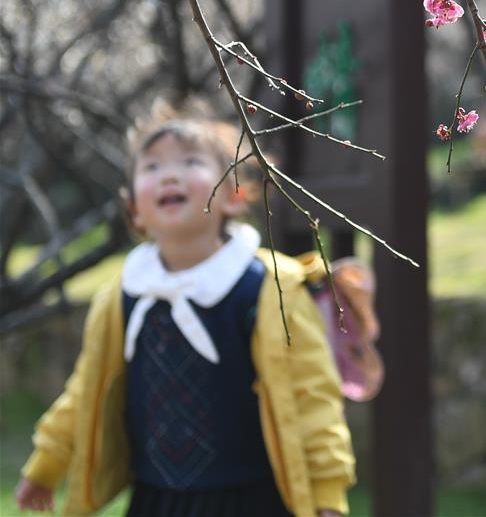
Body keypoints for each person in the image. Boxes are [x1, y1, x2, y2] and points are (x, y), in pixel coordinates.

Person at [15, 104, 355, 516]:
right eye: (153, 166)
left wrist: (328, 497)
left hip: (252, 501)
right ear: (134, 210)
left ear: (236, 195)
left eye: (191, 162)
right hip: (155, 502)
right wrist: (46, 465)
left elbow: (313, 398)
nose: (170, 175)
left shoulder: (268, 289)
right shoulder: (123, 296)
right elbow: (86, 391)